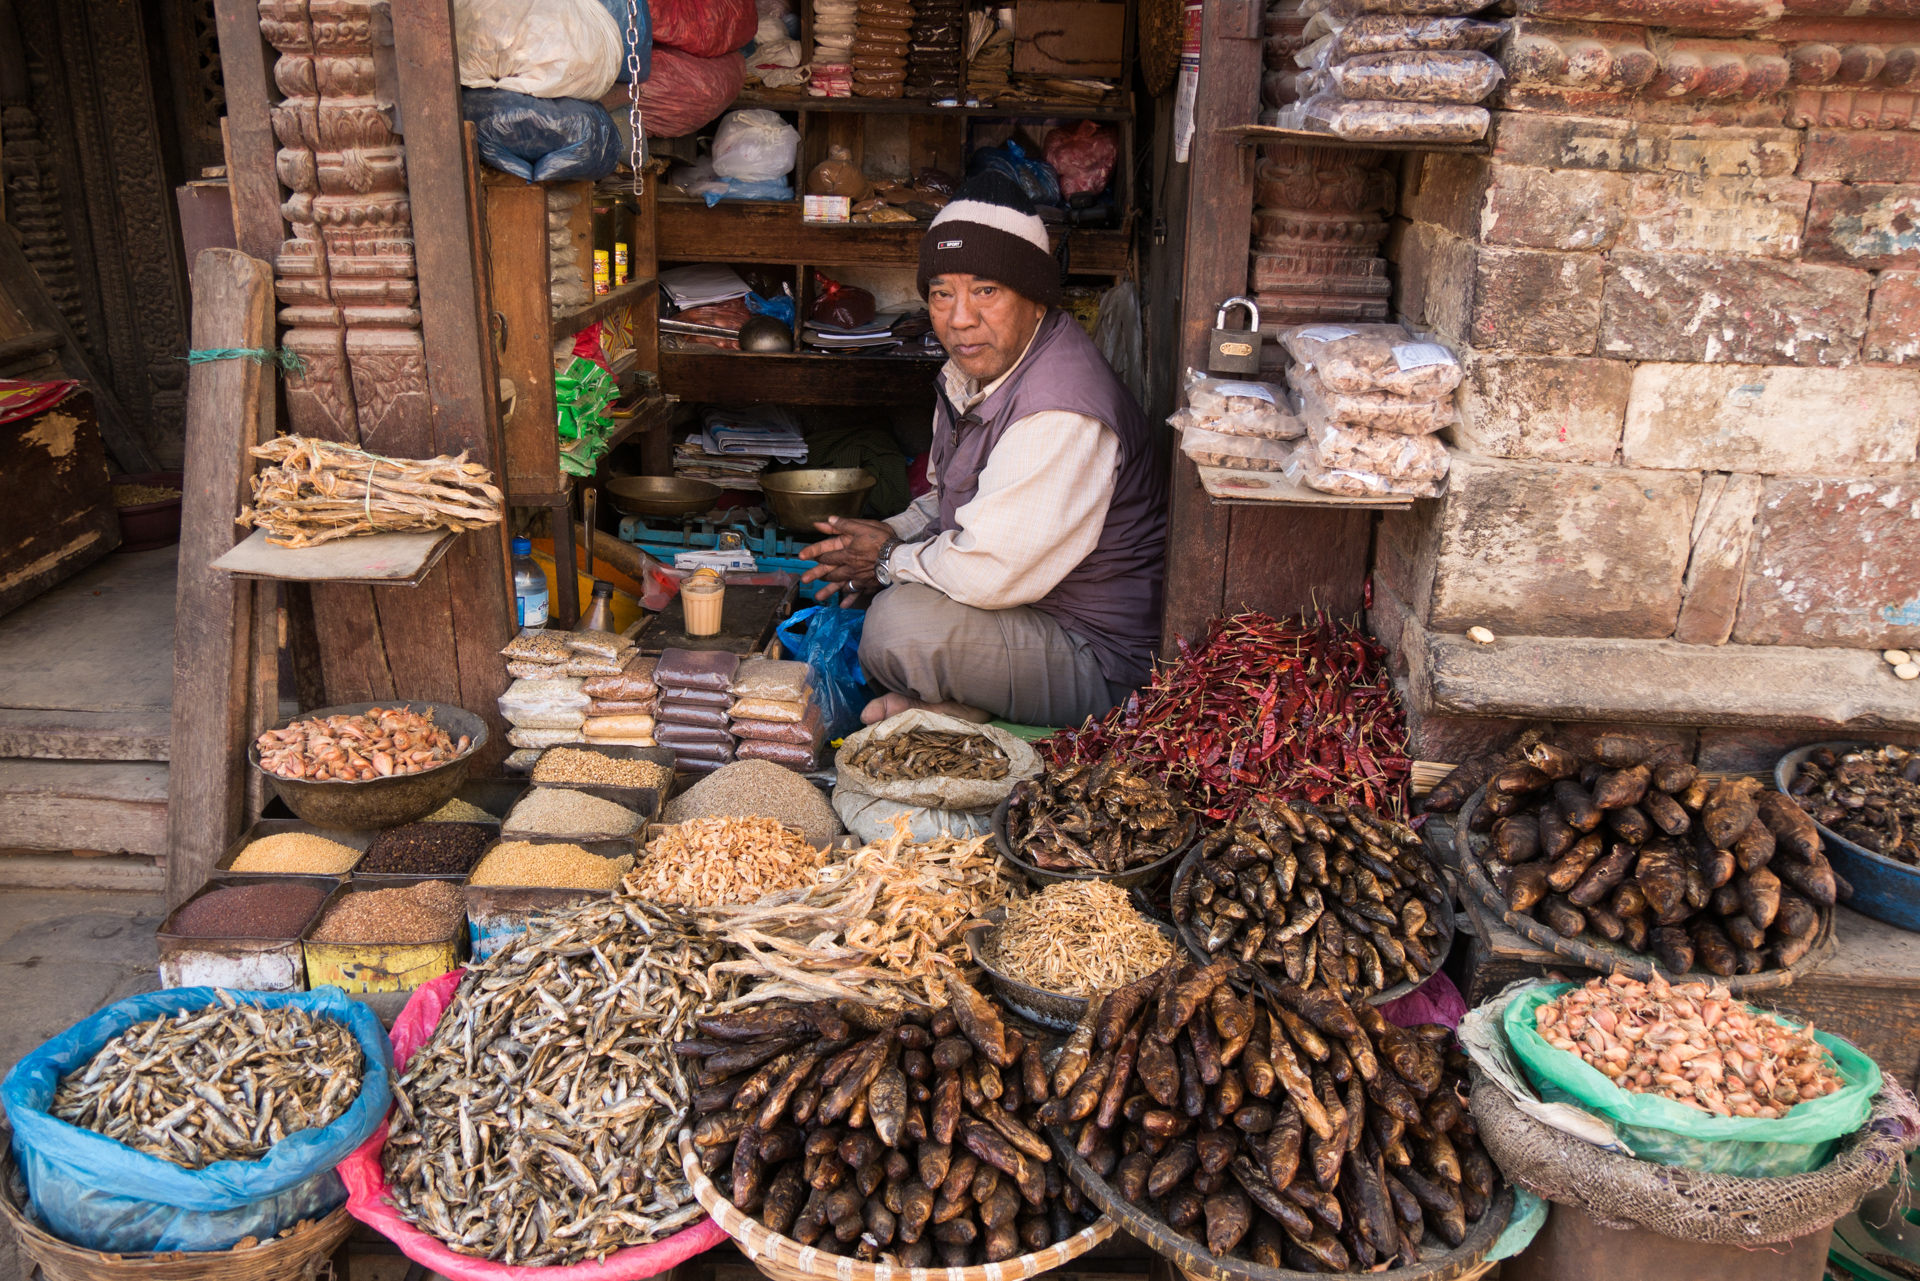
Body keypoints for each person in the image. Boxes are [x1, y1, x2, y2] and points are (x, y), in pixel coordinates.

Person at [800, 171, 1167, 728]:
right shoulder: (974, 372)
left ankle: (980, 708)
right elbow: (953, 496)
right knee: (880, 603)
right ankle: (966, 706)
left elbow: (988, 572)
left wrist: (885, 562)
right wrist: (893, 534)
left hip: (1100, 657)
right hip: (1030, 612)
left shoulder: (1059, 409)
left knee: (898, 628)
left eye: (986, 291)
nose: (960, 318)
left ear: (1034, 296)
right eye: (942, 293)